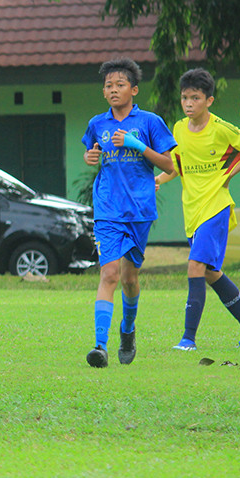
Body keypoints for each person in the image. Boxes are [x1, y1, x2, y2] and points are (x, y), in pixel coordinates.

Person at [156, 68, 240, 350]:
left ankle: (188, 339)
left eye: (195, 97)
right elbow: (177, 166)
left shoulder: (220, 128)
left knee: (195, 266)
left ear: (209, 100)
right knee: (209, 272)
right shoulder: (180, 128)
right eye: (184, 98)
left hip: (215, 208)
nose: (189, 103)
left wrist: (232, 171)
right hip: (192, 211)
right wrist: (158, 179)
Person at [82, 58, 177, 368]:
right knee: (109, 273)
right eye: (108, 85)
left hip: (139, 209)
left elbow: (169, 165)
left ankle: (128, 330)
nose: (113, 90)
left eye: (119, 85)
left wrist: (138, 145)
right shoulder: (98, 123)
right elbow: (90, 152)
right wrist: (90, 155)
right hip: (107, 208)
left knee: (129, 279)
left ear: (134, 90)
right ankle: (100, 345)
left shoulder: (149, 122)